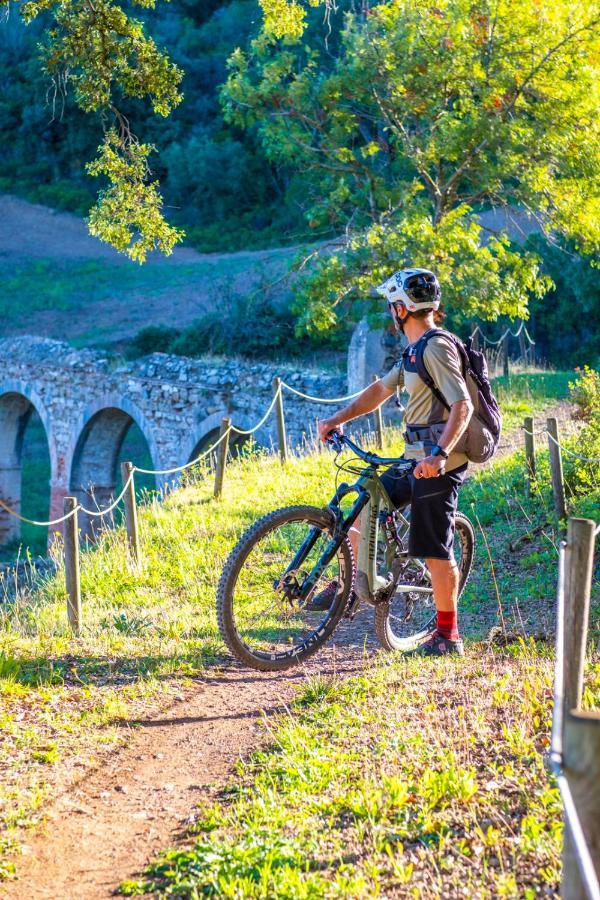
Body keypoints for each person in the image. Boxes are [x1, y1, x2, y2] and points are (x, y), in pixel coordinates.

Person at [317, 268, 474, 657]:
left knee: (435, 548)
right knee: (361, 507)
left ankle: (447, 635)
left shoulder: (436, 348)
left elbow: (463, 405)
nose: (391, 311)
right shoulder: (413, 350)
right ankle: (353, 585)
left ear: (402, 309)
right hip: (412, 457)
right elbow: (380, 391)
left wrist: (439, 455)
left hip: (439, 460)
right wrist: (337, 419)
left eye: (393, 305)